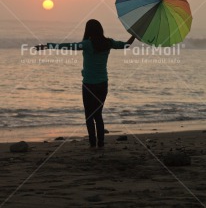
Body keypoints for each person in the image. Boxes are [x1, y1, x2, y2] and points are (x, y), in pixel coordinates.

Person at [35, 19, 135, 148]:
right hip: (103, 84)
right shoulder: (108, 42)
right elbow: (126, 45)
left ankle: (93, 143)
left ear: (88, 30)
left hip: (89, 85)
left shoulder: (87, 44)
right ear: (100, 29)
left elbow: (68, 46)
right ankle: (101, 143)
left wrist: (47, 46)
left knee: (89, 116)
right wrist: (134, 35)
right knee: (98, 115)